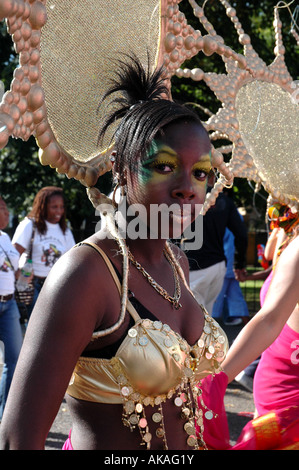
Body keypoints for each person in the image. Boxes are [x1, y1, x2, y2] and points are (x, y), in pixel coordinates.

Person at [0, 56, 228, 450]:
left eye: (201, 173)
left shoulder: (176, 262)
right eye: (164, 165)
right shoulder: (87, 275)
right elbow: (17, 439)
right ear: (121, 168)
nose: (188, 187)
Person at [199, 208, 299, 450]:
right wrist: (216, 380)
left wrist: (217, 379)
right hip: (273, 405)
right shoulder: (291, 243)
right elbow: (269, 322)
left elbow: (270, 321)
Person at [12, 187, 75, 319]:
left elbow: (73, 259)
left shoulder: (64, 230)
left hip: (56, 285)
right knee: (35, 324)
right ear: (43, 206)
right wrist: (17, 272)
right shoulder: (30, 225)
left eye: (61, 207)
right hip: (32, 284)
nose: (59, 211)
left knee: (54, 323)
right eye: (54, 207)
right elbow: (13, 253)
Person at [185, 186, 248, 315]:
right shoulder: (224, 200)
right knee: (206, 317)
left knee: (193, 319)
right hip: (217, 267)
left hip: (192, 267)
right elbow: (241, 235)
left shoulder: (182, 195)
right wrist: (239, 263)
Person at [0, 196, 23, 420]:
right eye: (2, 209)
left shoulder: (5, 237)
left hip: (9, 304)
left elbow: (15, 269)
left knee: (14, 359)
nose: (7, 213)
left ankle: (5, 415)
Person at [212, 226, 249, 326]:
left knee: (216, 297)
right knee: (236, 296)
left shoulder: (223, 219)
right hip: (231, 265)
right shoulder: (235, 219)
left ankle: (208, 329)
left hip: (225, 265)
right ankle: (247, 326)